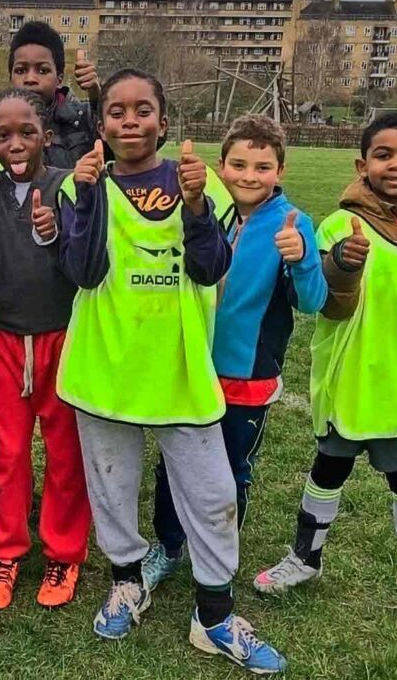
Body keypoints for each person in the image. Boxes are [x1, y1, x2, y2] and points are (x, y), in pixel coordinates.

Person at [57, 68, 286, 673]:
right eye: (116, 111)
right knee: (112, 484)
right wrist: (85, 198)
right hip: (105, 365)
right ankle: (126, 581)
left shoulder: (199, 182)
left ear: (163, 118)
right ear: (100, 120)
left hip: (180, 366)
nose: (129, 122)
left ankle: (213, 615)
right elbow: (81, 273)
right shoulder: (84, 183)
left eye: (142, 110)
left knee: (211, 493)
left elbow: (211, 269)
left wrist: (192, 206)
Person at [253, 112, 397, 641]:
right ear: (361, 163)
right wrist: (342, 264)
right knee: (328, 469)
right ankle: (305, 558)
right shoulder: (340, 226)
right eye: (383, 154)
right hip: (349, 380)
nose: (396, 164)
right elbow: (329, 304)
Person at [143, 115, 328, 589]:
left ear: (280, 171)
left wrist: (303, 258)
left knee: (230, 472)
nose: (250, 175)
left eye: (262, 166)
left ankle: (219, 555)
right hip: (189, 368)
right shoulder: (204, 212)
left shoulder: (293, 224)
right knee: (173, 465)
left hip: (249, 376)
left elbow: (312, 303)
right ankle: (167, 547)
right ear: (220, 167)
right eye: (239, 164)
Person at [0, 88, 91, 610]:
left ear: (46, 137)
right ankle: (4, 551)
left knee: (64, 452)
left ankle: (64, 554)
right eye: (2, 134)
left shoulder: (65, 186)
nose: (15, 142)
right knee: (6, 454)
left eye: (26, 131)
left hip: (60, 338)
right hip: (4, 339)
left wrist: (55, 235)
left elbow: (80, 263)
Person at [8, 21, 100, 169]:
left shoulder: (83, 120)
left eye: (43, 71)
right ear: (10, 77)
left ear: (59, 79)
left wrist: (97, 95)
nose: (30, 79)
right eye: (21, 70)